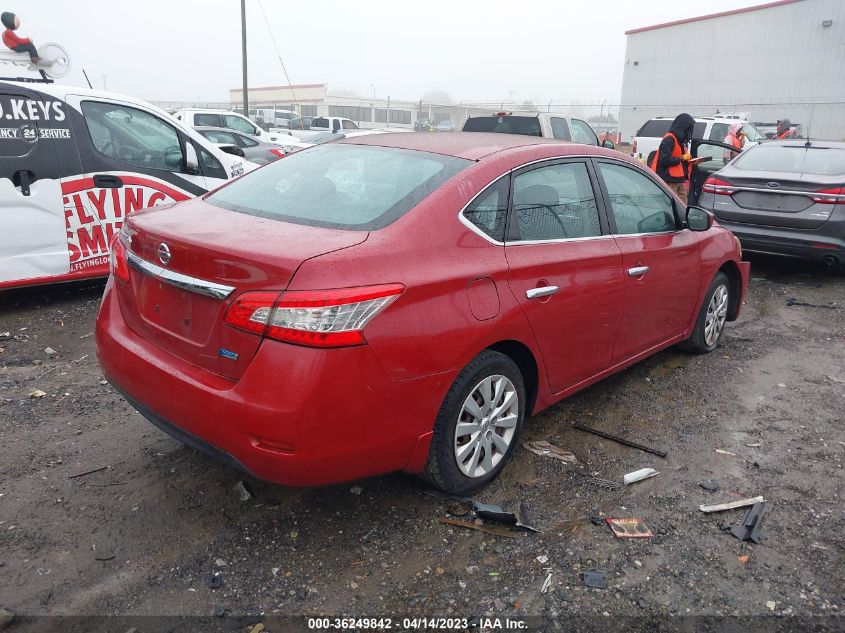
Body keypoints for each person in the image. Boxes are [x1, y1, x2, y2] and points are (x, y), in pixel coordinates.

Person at [649, 112, 696, 205]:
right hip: (669, 180)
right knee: (669, 205)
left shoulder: (680, 141)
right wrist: (682, 158)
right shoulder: (669, 139)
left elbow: (680, 161)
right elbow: (665, 160)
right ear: (683, 127)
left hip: (679, 179)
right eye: (689, 129)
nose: (690, 132)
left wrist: (690, 161)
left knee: (683, 206)